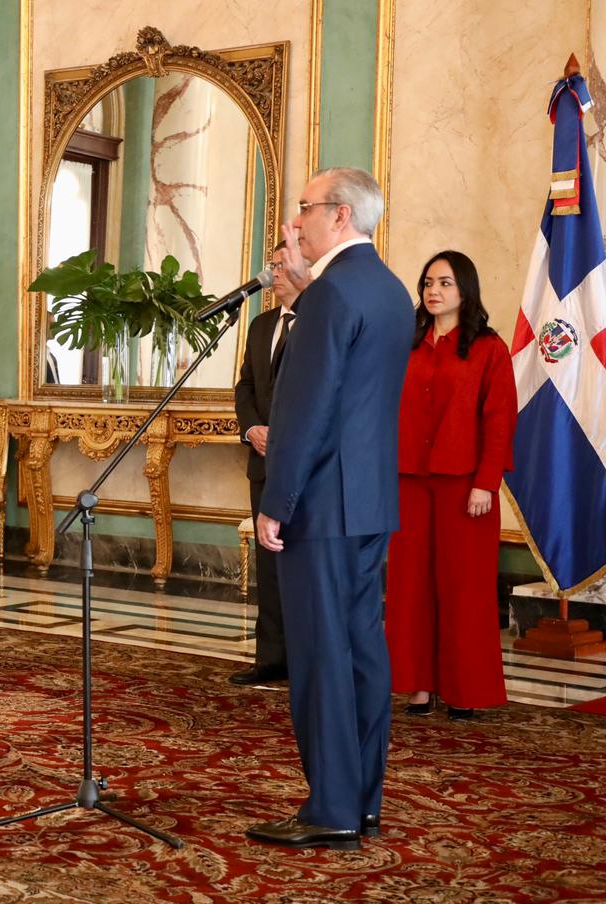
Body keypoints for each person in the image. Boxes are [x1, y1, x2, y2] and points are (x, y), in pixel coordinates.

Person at [247, 167, 414, 851]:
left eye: (305, 208)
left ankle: (331, 809)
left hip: (320, 504)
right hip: (369, 502)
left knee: (320, 659)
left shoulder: (329, 295)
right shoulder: (390, 289)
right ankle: (362, 800)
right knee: (363, 653)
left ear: (341, 215)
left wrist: (276, 500)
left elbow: (306, 410)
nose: (296, 221)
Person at [385, 251, 516, 721]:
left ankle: (464, 688)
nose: (433, 291)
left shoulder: (489, 348)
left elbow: (500, 421)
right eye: (427, 282)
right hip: (409, 482)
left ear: (465, 290)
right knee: (410, 586)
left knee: (464, 589)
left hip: (465, 487)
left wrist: (486, 483)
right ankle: (418, 684)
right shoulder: (406, 343)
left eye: (444, 282)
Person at [231, 240, 299, 686]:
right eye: (271, 265)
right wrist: (251, 427)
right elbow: (245, 387)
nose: (274, 274)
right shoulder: (260, 325)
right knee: (269, 566)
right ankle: (270, 659)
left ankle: (306, 660)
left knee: (301, 565)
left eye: (282, 265)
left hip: (303, 464)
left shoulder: (318, 323)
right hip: (262, 462)